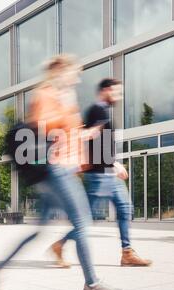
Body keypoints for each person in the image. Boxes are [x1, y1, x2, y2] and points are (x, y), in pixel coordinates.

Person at [0, 56, 123, 290]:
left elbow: (70, 135)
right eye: (76, 73)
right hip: (56, 169)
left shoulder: (59, 96)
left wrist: (87, 134)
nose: (78, 78)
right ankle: (92, 284)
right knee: (82, 222)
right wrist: (65, 107)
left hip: (60, 169)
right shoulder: (47, 94)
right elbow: (45, 128)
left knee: (40, 230)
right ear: (62, 71)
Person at [50, 78, 153, 268]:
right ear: (106, 90)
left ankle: (127, 253)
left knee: (125, 209)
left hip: (108, 174)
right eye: (116, 92)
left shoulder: (102, 111)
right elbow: (93, 142)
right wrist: (114, 164)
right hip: (99, 174)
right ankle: (59, 244)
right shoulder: (97, 110)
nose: (119, 96)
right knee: (87, 219)